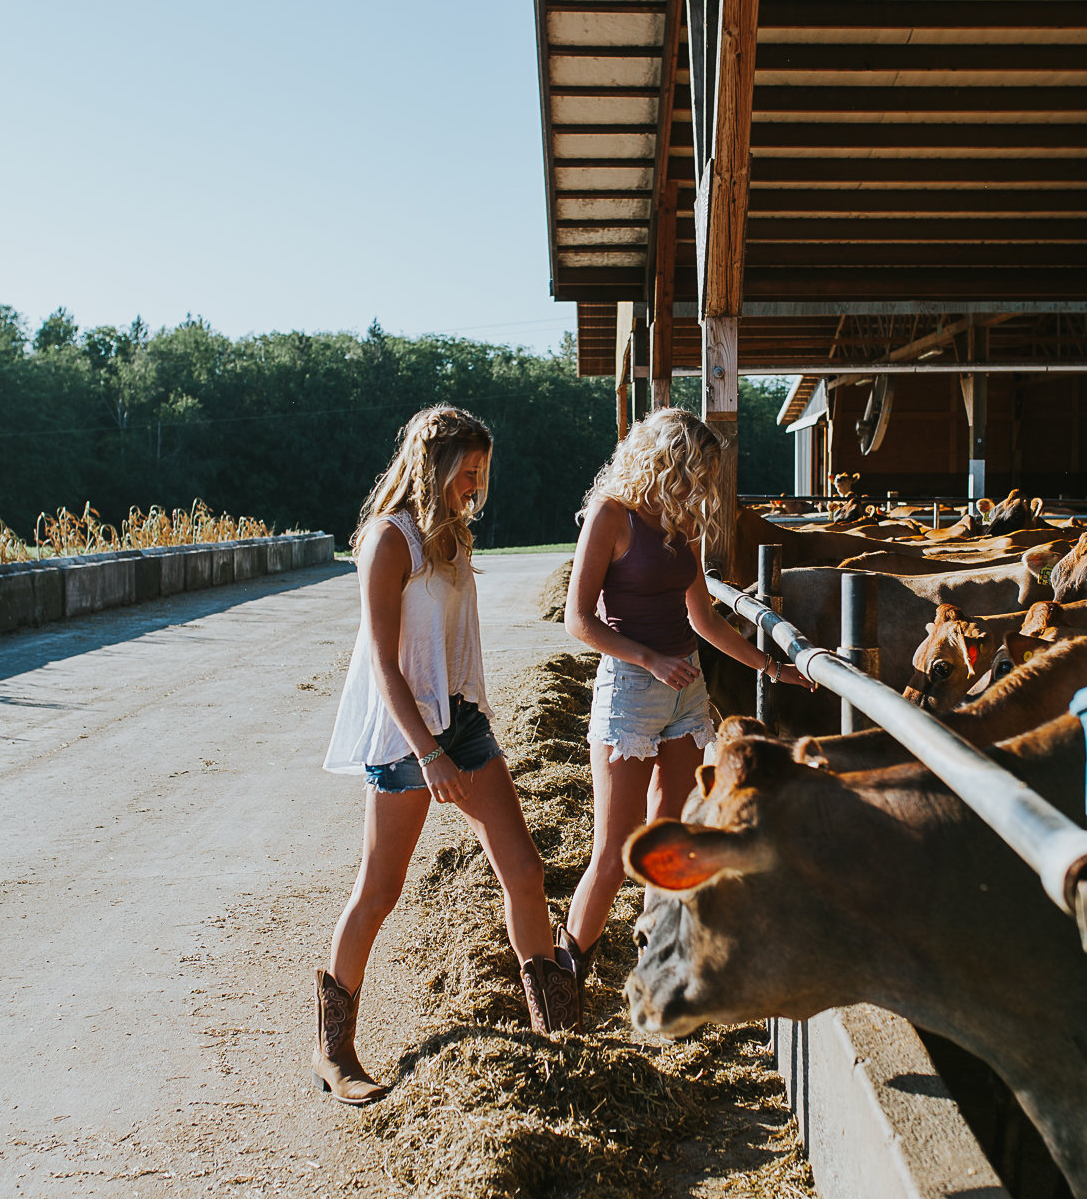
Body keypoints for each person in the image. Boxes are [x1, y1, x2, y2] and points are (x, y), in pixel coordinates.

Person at [318, 404, 579, 1104]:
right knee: (380, 891)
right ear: (432, 465)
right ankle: (334, 1051)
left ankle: (553, 1037)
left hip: (464, 725)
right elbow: (382, 664)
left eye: (480, 472)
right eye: (467, 471)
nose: (475, 484)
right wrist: (427, 752)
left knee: (524, 871)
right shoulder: (389, 540)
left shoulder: (452, 538)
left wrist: (459, 733)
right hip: (411, 740)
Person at [558, 406, 812, 978]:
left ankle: (657, 967)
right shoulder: (610, 515)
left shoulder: (681, 521)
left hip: (685, 692)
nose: (700, 482)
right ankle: (562, 979)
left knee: (666, 834)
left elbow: (705, 619)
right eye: (695, 468)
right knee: (613, 848)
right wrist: (649, 657)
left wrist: (771, 667)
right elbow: (578, 620)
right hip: (630, 689)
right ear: (663, 457)